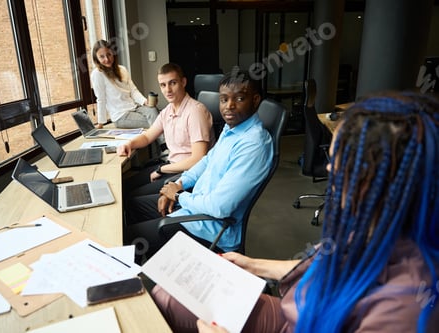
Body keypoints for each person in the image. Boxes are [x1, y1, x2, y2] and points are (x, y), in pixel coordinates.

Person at [151, 91, 439, 332]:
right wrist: (252, 265)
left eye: (341, 163)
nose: (330, 169)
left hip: (304, 321)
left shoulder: (404, 310)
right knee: (166, 295)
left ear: (381, 183)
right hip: (304, 311)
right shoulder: (374, 227)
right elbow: (327, 269)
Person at [124, 69, 273, 260]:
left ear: (255, 100)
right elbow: (207, 161)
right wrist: (179, 184)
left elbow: (220, 208)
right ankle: (164, 267)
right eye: (224, 99)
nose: (229, 106)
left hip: (210, 228)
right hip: (195, 205)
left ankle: (162, 269)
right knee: (134, 205)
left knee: (127, 238)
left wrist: (178, 196)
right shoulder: (232, 127)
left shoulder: (253, 145)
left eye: (239, 99)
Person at [118, 63, 215, 197]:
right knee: (123, 187)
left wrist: (161, 169)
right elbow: (147, 137)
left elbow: (198, 159)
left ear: (183, 82)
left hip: (187, 174)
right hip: (171, 166)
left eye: (172, 83)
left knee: (131, 197)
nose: (167, 90)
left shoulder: (195, 112)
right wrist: (129, 144)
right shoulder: (167, 111)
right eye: (163, 85)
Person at [90, 39, 158, 129]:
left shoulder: (122, 69)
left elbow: (133, 91)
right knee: (156, 121)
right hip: (120, 116)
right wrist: (100, 123)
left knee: (153, 110)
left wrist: (145, 101)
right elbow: (101, 99)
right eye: (102, 57)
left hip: (134, 107)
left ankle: (162, 142)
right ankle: (163, 143)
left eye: (109, 54)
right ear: (97, 59)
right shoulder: (97, 74)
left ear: (113, 53)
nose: (107, 59)